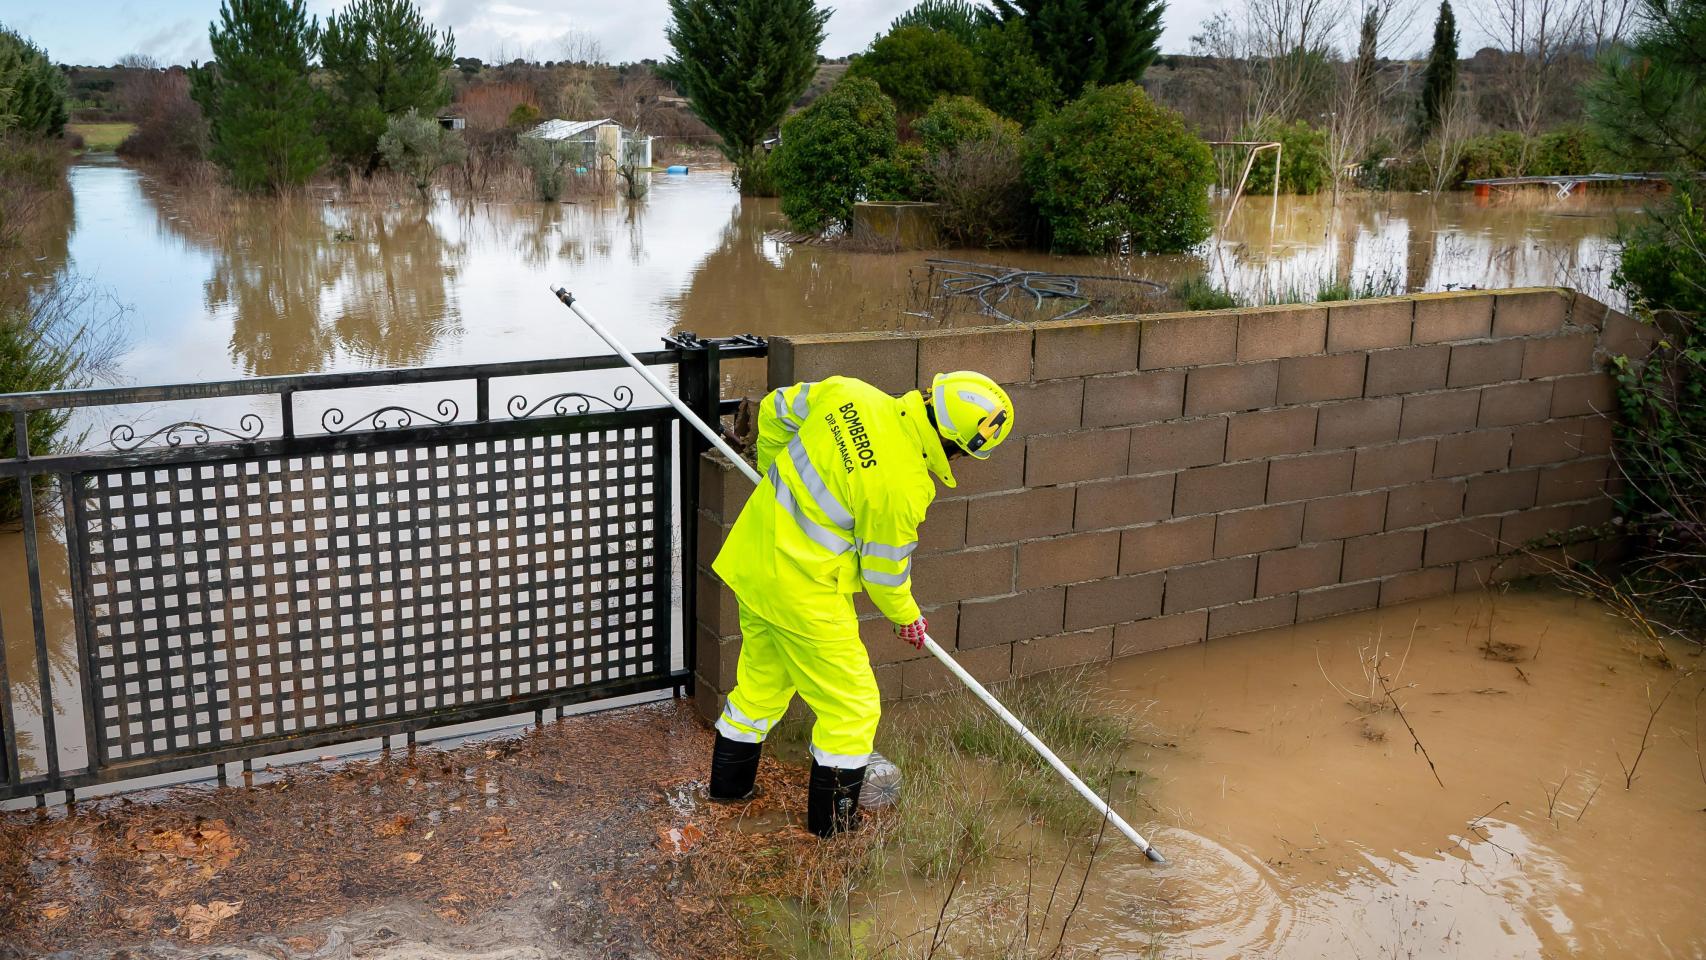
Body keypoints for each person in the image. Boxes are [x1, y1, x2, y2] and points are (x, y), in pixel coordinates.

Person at [705, 370, 1017, 837]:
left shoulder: (850, 393)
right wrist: (906, 618)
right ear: (954, 444)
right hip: (804, 592)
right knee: (852, 709)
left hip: (752, 562)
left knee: (761, 686)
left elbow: (773, 410)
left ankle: (728, 793)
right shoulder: (905, 486)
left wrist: (770, 470)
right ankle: (833, 834)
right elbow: (883, 573)